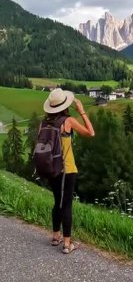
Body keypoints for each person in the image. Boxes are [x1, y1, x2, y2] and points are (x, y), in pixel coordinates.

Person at [43, 88, 95, 254]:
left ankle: (55, 236)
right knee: (66, 204)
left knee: (57, 200)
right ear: (64, 105)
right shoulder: (69, 121)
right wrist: (82, 111)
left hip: (51, 168)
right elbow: (90, 133)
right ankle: (67, 244)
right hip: (67, 168)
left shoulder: (44, 122)